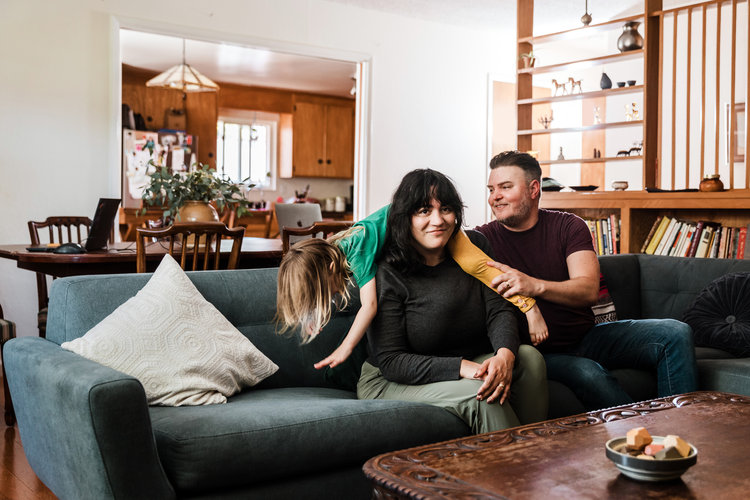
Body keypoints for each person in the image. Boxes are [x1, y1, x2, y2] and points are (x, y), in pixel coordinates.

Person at [475, 150, 698, 411]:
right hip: (537, 353)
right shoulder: (481, 241)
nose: (495, 197)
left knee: (675, 332)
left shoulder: (569, 226)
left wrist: (535, 285)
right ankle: (643, 440)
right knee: (589, 373)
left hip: (588, 338)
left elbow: (588, 289)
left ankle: (683, 431)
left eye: (505, 187)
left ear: (534, 188)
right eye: (491, 189)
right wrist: (531, 307)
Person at [357, 169, 548, 433]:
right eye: (424, 210)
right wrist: (464, 368)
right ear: (406, 217)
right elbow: (391, 361)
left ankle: (537, 449)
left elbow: (498, 309)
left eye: (445, 209)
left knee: (529, 359)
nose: (438, 220)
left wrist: (504, 355)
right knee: (480, 395)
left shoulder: (475, 245)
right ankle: (520, 467)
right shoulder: (388, 270)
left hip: (467, 360)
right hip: (391, 379)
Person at [276, 203, 548, 374]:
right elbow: (330, 293)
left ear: (329, 270)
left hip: (430, 226)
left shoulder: (356, 253)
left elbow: (369, 307)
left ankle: (530, 308)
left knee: (476, 265)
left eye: (328, 292)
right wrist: (312, 318)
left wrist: (345, 347)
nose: (335, 295)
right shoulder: (338, 249)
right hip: (415, 227)